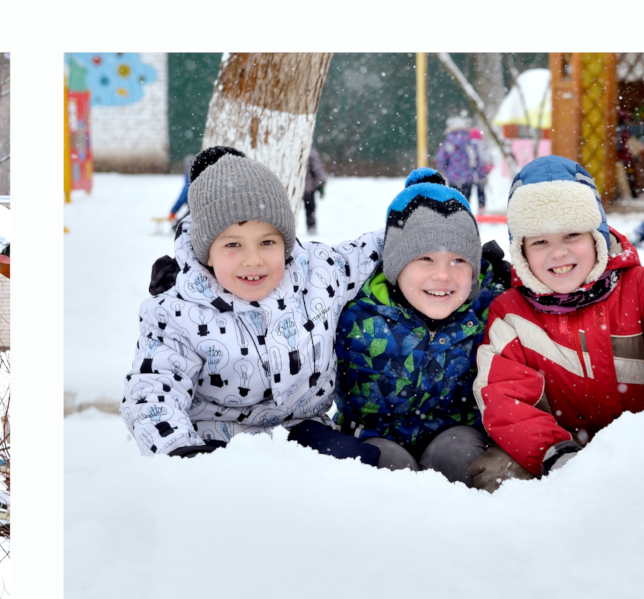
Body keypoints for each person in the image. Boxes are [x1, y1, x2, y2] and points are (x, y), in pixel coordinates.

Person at [473, 157, 644, 486]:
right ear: (521, 250)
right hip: (552, 453)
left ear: (597, 236)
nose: (558, 253)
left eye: (572, 234)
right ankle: (530, 532)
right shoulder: (511, 313)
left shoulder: (637, 289)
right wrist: (553, 451)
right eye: (540, 241)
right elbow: (504, 398)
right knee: (492, 472)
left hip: (636, 445)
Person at [121, 145, 385, 462]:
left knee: (359, 464)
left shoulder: (317, 274)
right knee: (233, 498)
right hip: (216, 439)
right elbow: (153, 392)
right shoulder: (179, 313)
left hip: (302, 430)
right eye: (233, 244)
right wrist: (182, 453)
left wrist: (422, 218)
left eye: (267, 242)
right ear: (207, 253)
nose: (254, 260)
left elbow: (373, 250)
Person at [334, 170, 514, 487]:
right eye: (425, 259)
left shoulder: (492, 309)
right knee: (388, 466)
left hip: (458, 435)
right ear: (395, 265)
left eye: (459, 260)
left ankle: (470, 528)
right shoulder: (354, 311)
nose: (442, 276)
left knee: (460, 456)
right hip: (373, 438)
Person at [433, 117, 491, 211]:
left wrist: (445, 170)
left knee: (453, 201)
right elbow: (476, 160)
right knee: (465, 201)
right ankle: (465, 217)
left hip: (453, 178)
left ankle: (454, 218)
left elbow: (441, 159)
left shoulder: (448, 143)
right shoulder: (470, 143)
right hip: (467, 178)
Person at [302, 147, 329, 232]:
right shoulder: (310, 152)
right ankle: (311, 226)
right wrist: (321, 181)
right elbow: (318, 168)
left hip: (295, 187)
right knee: (310, 207)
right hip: (308, 187)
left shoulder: (290, 149)